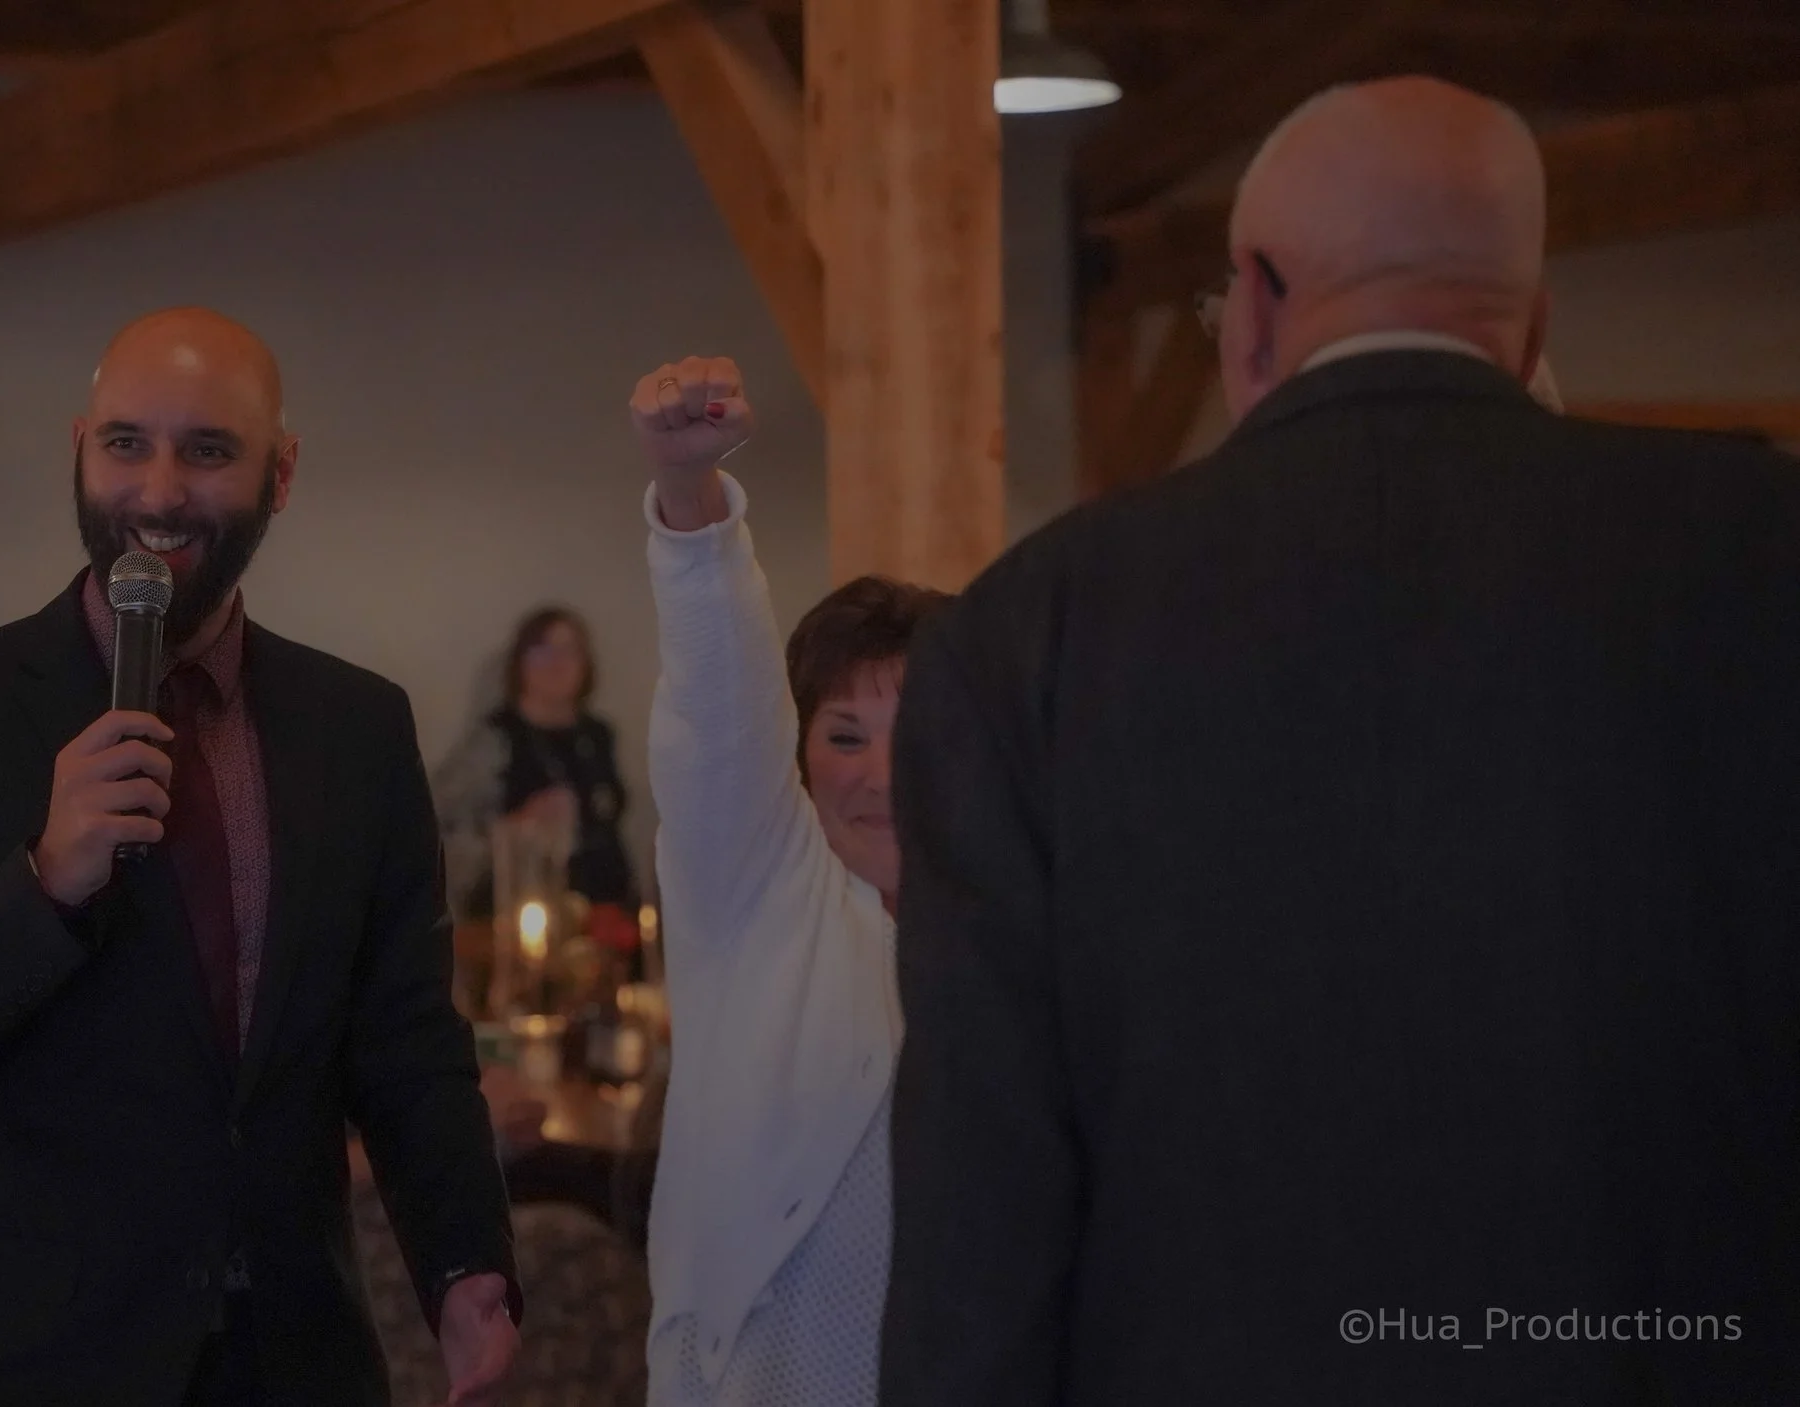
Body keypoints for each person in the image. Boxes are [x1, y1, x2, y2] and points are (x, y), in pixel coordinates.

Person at [883, 76, 1800, 1404]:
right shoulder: (1763, 556)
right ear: (1532, 325)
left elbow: (982, 1224)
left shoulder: (1031, 630)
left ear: (1257, 301)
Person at [0, 306, 519, 1407]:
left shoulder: (356, 728)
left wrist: (464, 1261)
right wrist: (42, 883)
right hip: (25, 1371)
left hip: (290, 1365)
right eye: (126, 444)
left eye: (208, 452)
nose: (157, 492)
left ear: (282, 474)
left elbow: (407, 1037)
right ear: (78, 451)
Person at [627, 356, 950, 1404]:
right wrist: (691, 501)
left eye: (921, 733)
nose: (882, 774)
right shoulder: (759, 894)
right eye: (845, 735)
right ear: (797, 758)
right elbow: (721, 707)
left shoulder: (1021, 933)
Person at [433, 607, 639, 923]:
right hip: (521, 917)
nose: (557, 662)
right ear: (520, 663)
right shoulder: (494, 740)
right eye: (544, 650)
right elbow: (440, 832)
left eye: (570, 650)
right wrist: (519, 824)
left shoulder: (598, 736)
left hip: (606, 917)